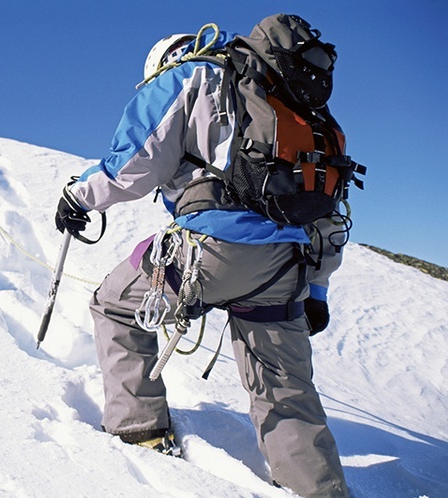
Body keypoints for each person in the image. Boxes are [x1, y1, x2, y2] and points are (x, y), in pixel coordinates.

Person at [54, 14, 353, 498]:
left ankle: (140, 430)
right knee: (286, 392)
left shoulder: (188, 78)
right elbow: (328, 212)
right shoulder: (291, 105)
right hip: (286, 265)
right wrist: (315, 289)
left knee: (115, 305)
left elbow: (134, 163)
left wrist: (78, 198)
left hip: (212, 251)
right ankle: (317, 489)